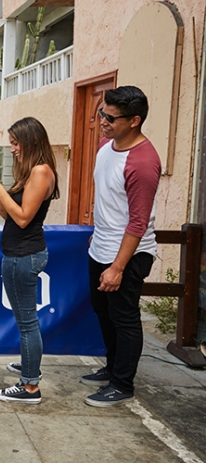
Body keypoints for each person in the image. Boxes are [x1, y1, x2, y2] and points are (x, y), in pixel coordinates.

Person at [82, 86, 160, 407]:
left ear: (134, 121)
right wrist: (98, 232)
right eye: (102, 112)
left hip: (128, 254)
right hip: (101, 244)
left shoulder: (142, 162)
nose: (102, 121)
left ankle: (122, 383)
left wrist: (117, 267)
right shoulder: (105, 146)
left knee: (124, 317)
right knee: (102, 310)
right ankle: (112, 367)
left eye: (110, 117)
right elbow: (108, 199)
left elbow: (138, 223)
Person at [0, 117, 59, 404]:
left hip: (25, 255)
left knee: (27, 322)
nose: (12, 149)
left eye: (15, 143)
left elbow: (23, 219)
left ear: (31, 142)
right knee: (25, 320)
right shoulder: (31, 172)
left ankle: (29, 386)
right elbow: (7, 213)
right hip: (17, 253)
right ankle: (29, 367)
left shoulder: (41, 171)